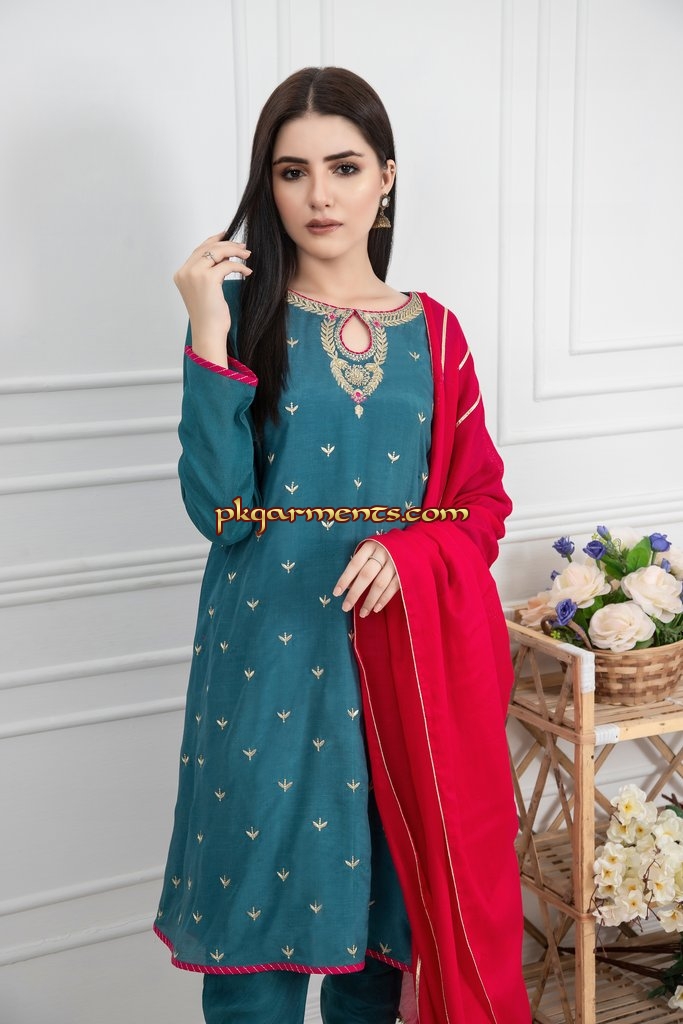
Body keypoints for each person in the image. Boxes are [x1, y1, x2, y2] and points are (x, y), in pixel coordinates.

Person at [154, 66, 530, 1024]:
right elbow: (221, 513)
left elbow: (480, 502)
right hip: (268, 665)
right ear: (267, 185)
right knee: (254, 966)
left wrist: (410, 555)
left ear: (385, 178)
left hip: (400, 672)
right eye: (291, 172)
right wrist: (206, 325)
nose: (318, 195)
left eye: (344, 166)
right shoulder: (242, 320)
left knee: (376, 959)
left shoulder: (435, 333)